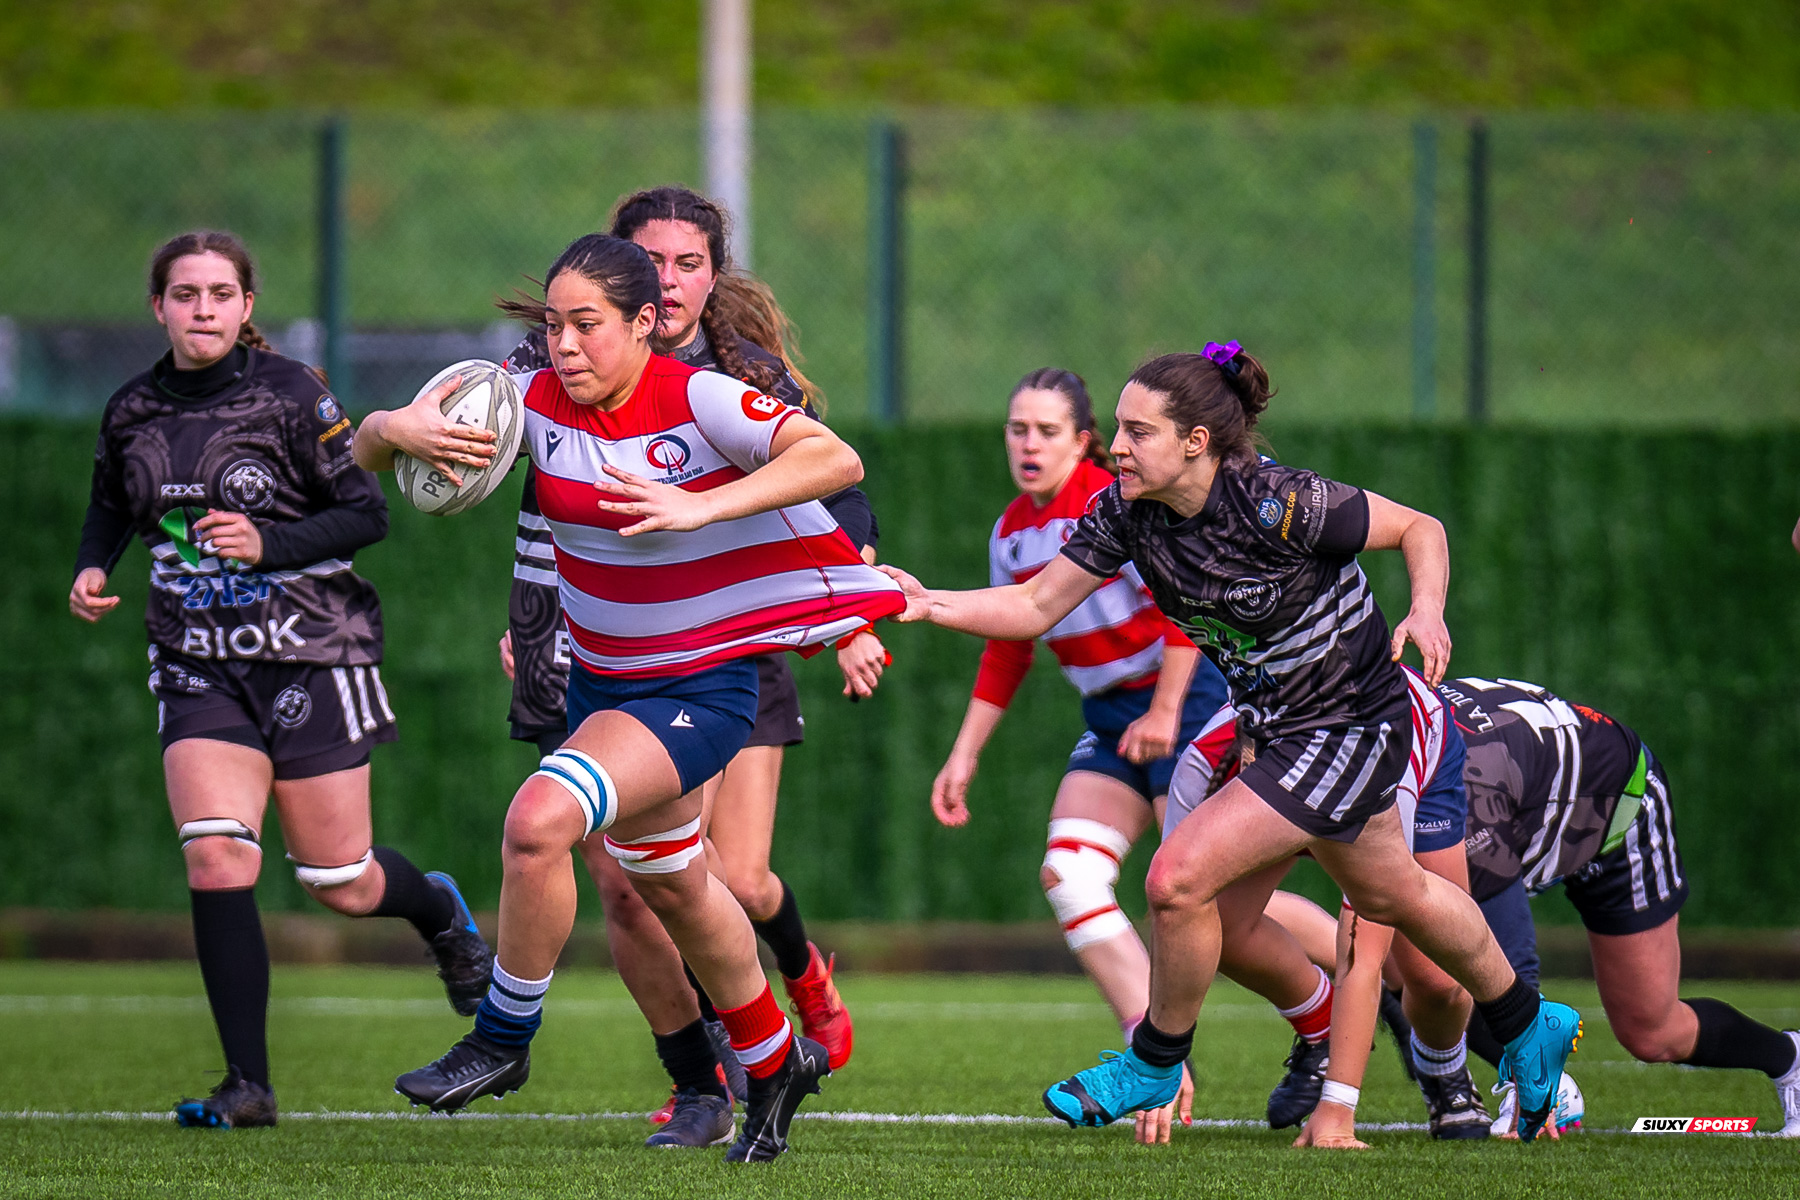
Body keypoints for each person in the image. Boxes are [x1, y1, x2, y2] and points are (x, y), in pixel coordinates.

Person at [880, 341, 1582, 1143]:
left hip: (1353, 721)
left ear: (1195, 442)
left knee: (1177, 880)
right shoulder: (1126, 511)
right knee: (1397, 894)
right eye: (1117, 427)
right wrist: (926, 602)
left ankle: (1153, 1058)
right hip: (1280, 729)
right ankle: (1532, 1024)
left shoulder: (1280, 500)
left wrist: (1426, 609)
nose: (1116, 446)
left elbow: (1421, 527)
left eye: (1137, 431)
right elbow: (1035, 605)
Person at [354, 233, 904, 1162]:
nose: (563, 345)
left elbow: (834, 459)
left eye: (586, 326)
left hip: (703, 689)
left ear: (645, 324)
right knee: (675, 883)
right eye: (554, 325)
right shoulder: (533, 399)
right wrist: (389, 429)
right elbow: (367, 453)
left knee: (538, 822)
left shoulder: (697, 397)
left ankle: (502, 1038)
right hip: (605, 683)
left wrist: (700, 504)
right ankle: (774, 1063)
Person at [69, 230, 493, 1130]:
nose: (204, 309)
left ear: (247, 306)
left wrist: (268, 543)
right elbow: (111, 500)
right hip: (195, 660)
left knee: (339, 879)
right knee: (217, 851)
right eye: (185, 295)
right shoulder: (131, 407)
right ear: (159, 307)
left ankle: (438, 909)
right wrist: (93, 566)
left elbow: (364, 514)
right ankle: (247, 1085)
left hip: (313, 654)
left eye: (222, 293)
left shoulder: (294, 394)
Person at [495, 186, 878, 1147]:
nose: (668, 280)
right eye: (650, 261)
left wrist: (850, 616)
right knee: (631, 881)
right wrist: (531, 621)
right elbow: (530, 493)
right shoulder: (553, 362)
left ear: (715, 276)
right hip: (600, 646)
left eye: (689, 263)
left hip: (732, 639)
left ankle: (797, 990)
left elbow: (837, 496)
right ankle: (703, 1083)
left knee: (731, 876)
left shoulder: (736, 378)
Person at [928, 366, 1223, 1075]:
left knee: (1222, 913)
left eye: (1047, 431)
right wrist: (964, 754)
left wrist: (1165, 709)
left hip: (1187, 700)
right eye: (1017, 429)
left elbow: (1189, 604)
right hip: (1114, 717)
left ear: (1084, 441)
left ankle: (1332, 1011)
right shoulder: (1011, 531)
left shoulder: (1113, 501)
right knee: (1070, 873)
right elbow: (1010, 645)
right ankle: (1149, 1055)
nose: (1028, 444)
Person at [1434, 676, 1800, 1138]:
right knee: (1411, 959)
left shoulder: (1470, 788)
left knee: (1652, 1029)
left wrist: (1534, 1078)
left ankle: (1791, 1062)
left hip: (1616, 812)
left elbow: (1509, 955)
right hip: (1538, 805)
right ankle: (1510, 1083)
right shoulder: (1387, 749)